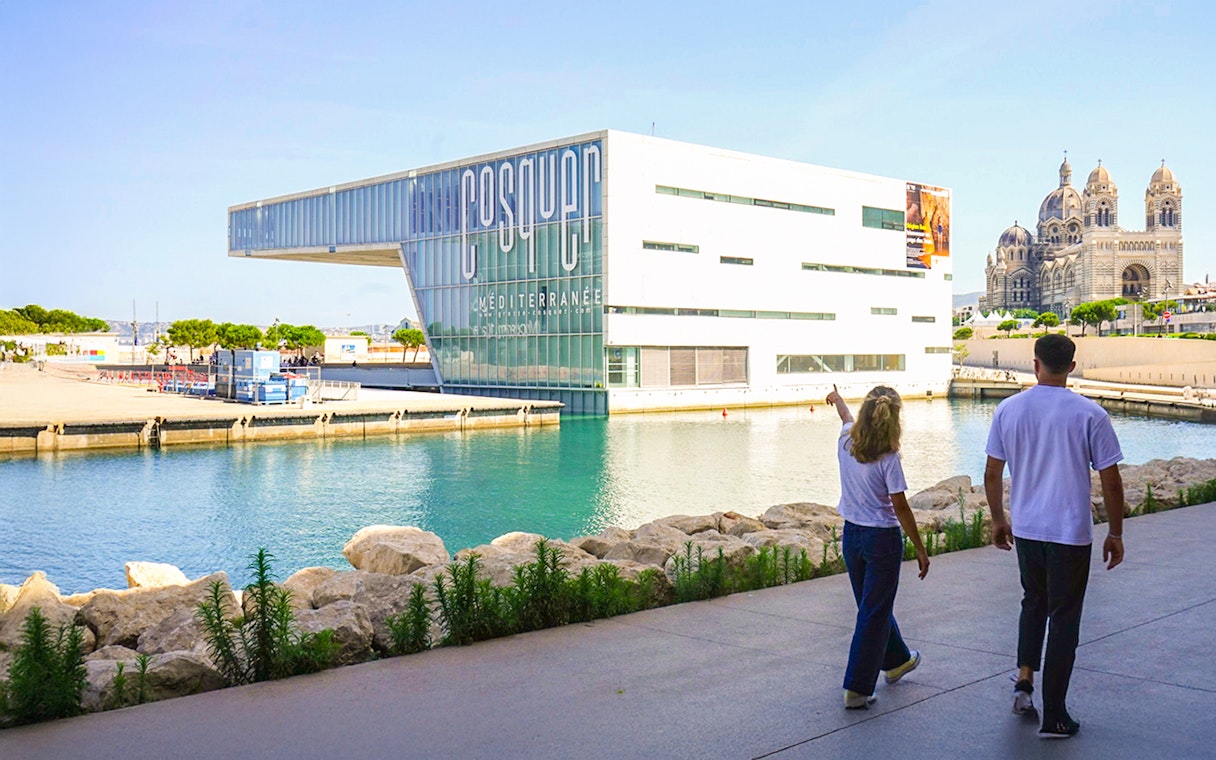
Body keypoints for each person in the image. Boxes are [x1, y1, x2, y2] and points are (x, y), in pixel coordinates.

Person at [984, 333, 1125, 740]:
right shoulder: (1091, 414)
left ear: (1035, 364)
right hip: (1069, 531)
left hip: (1028, 529)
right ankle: (1055, 715)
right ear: (1072, 367)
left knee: (1033, 602)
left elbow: (992, 472)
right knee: (1063, 618)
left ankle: (1024, 682)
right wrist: (1115, 532)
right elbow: (1111, 481)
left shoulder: (1008, 409)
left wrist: (999, 519)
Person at [827, 384, 930, 709]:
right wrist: (920, 548)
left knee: (872, 607)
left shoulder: (846, 440)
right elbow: (900, 508)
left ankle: (897, 661)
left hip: (852, 537)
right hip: (881, 541)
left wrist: (838, 399)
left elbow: (845, 417)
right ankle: (857, 689)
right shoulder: (889, 457)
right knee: (873, 612)